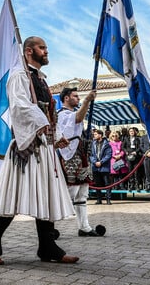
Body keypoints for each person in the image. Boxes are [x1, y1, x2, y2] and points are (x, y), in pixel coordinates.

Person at [0, 36, 78, 265]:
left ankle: (47, 247)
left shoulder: (41, 80)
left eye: (46, 47)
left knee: (45, 193)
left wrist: (59, 136)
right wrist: (41, 122)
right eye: (42, 48)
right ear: (28, 51)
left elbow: (49, 114)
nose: (46, 51)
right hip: (28, 145)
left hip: (44, 144)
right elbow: (19, 105)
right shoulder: (18, 76)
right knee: (13, 194)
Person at [57, 87, 105, 237]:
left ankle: (84, 227)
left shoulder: (70, 114)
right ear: (66, 98)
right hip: (68, 156)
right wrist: (87, 101)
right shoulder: (62, 114)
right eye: (75, 96)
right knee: (69, 192)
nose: (78, 98)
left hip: (79, 154)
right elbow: (77, 118)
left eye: (79, 97)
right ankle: (49, 227)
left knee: (82, 192)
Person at [90, 129, 112, 204]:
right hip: (95, 167)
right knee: (97, 184)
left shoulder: (107, 144)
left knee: (107, 183)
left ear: (100, 135)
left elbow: (109, 155)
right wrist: (95, 162)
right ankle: (99, 199)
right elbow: (91, 154)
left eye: (95, 134)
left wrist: (101, 162)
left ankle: (108, 199)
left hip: (104, 167)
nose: (94, 135)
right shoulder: (93, 143)